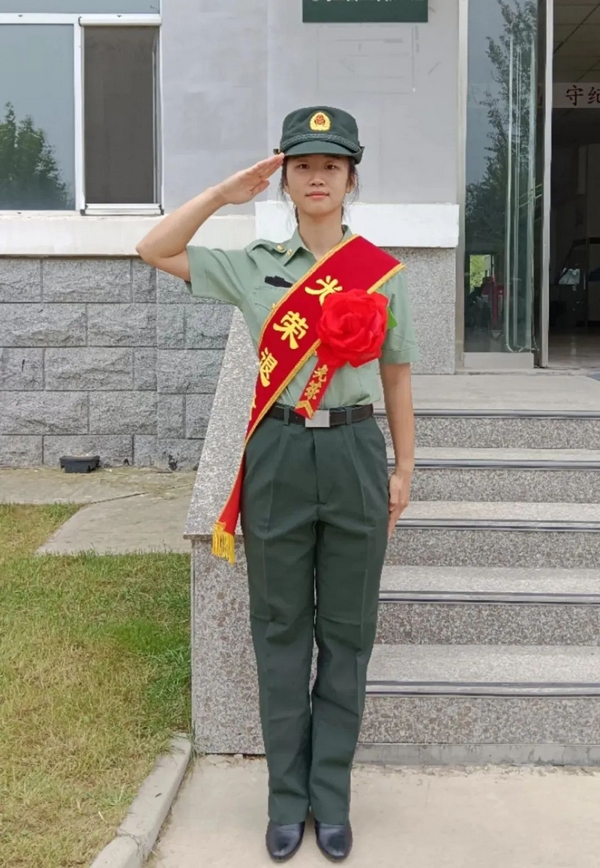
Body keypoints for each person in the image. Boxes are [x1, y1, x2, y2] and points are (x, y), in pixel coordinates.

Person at [136, 106, 419, 863]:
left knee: (348, 634)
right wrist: (223, 194)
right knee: (280, 630)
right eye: (302, 165)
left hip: (355, 450)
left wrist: (403, 468)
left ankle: (333, 800)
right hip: (279, 455)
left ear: (352, 178)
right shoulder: (254, 263)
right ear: (284, 178)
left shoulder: (383, 273)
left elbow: (397, 377)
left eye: (332, 165)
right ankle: (286, 801)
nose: (317, 177)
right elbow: (153, 247)